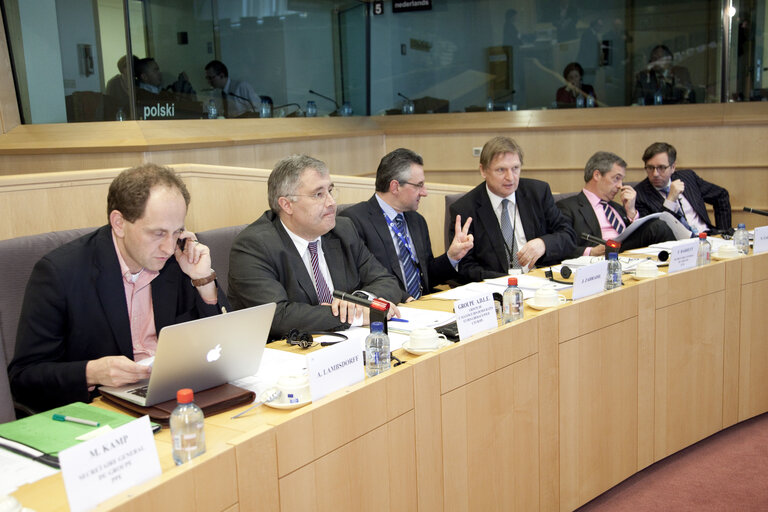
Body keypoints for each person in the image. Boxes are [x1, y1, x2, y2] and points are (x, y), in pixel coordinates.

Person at [8, 164, 228, 412]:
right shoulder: (60, 273)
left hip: (176, 396)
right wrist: (91, 372)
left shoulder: (178, 260)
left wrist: (203, 280)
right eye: (158, 233)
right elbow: (24, 378)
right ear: (119, 223)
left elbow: (224, 346)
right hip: (104, 411)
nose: (168, 247)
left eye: (176, 231)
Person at [227, 155, 402, 340]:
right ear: (287, 205)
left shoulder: (343, 230)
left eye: (330, 191)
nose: (331, 203)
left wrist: (359, 301)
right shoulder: (253, 246)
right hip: (287, 354)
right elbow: (277, 316)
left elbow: (387, 281)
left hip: (345, 344)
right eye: (319, 194)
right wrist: (355, 316)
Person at [339, 148, 474, 302]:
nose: (425, 192)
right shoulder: (353, 221)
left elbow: (427, 276)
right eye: (419, 185)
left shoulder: (417, 221)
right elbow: (363, 280)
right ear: (395, 187)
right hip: (390, 311)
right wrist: (406, 299)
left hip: (425, 309)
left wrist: (451, 257)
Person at [448, 136, 577, 281]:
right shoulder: (465, 209)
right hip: (497, 288)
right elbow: (465, 267)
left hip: (543, 283)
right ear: (483, 171)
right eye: (501, 170)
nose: (510, 177)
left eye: (515, 168)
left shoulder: (538, 193)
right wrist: (508, 281)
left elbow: (569, 236)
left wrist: (544, 244)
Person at [556, 151, 675, 257]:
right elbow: (559, 245)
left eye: (621, 180)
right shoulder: (567, 207)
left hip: (628, 254)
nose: (620, 185)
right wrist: (589, 252)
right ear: (597, 175)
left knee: (658, 226)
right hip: (602, 256)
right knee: (658, 227)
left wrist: (631, 212)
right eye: (616, 178)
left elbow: (637, 236)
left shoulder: (617, 208)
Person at [634, 142, 731, 234]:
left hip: (706, 237)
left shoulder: (688, 178)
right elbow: (655, 231)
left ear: (673, 167)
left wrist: (723, 232)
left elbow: (721, 196)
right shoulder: (640, 195)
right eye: (650, 168)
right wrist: (670, 200)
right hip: (676, 246)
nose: (655, 174)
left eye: (661, 167)